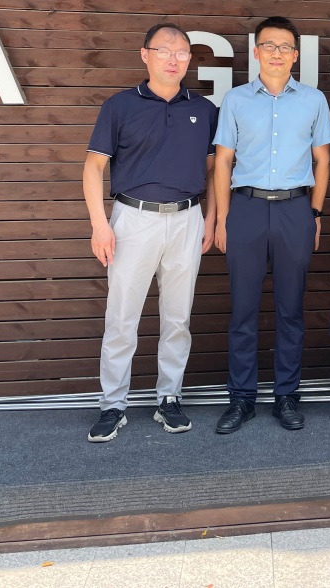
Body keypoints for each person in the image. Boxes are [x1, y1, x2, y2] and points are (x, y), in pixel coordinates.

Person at [82, 23, 218, 443]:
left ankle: (169, 398)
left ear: (189, 59)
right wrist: (99, 224)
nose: (173, 59)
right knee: (122, 317)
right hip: (133, 219)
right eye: (164, 51)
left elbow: (214, 170)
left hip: (187, 218)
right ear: (145, 55)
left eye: (181, 52)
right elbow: (93, 167)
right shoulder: (120, 106)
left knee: (178, 317)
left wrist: (211, 219)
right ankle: (112, 404)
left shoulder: (204, 109)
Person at [211, 16, 330, 433]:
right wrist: (224, 218)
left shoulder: (313, 100)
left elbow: (322, 161)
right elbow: (223, 161)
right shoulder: (235, 100)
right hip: (245, 209)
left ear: (295, 55)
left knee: (290, 309)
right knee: (243, 310)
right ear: (256, 52)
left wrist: (314, 214)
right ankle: (241, 399)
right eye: (269, 45)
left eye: (285, 47)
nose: (277, 53)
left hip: (294, 209)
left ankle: (286, 396)